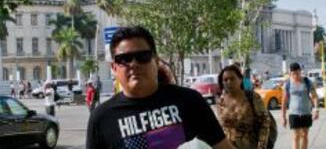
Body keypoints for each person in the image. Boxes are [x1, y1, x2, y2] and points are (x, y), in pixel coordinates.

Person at [86, 26, 235, 149]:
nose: (134, 64)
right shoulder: (101, 119)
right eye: (124, 59)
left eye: (142, 56)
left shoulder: (190, 101)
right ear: (113, 67)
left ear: (156, 61)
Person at [216, 64, 270, 149]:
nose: (229, 82)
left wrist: (261, 146)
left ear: (240, 79)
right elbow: (221, 128)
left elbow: (265, 122)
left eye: (232, 78)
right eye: (225, 80)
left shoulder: (252, 97)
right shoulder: (221, 101)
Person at [281, 62, 319, 149]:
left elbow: (314, 96)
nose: (295, 76)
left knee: (305, 135)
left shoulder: (307, 82)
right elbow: (284, 101)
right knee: (296, 136)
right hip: (293, 113)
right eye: (293, 74)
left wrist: (316, 109)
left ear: (300, 71)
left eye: (297, 73)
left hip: (306, 112)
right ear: (290, 73)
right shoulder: (288, 84)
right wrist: (283, 117)